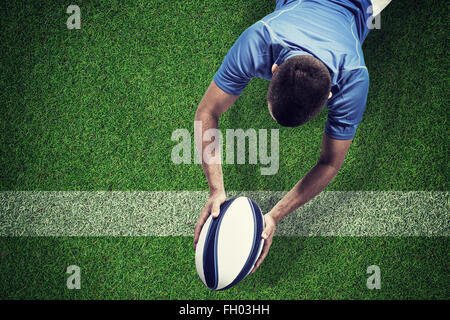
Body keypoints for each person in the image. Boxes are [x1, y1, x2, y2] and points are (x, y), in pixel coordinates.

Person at [193, 0, 392, 274]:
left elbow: (330, 164)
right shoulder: (261, 39)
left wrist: (275, 215)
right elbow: (207, 111)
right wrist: (216, 189)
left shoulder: (353, 77)